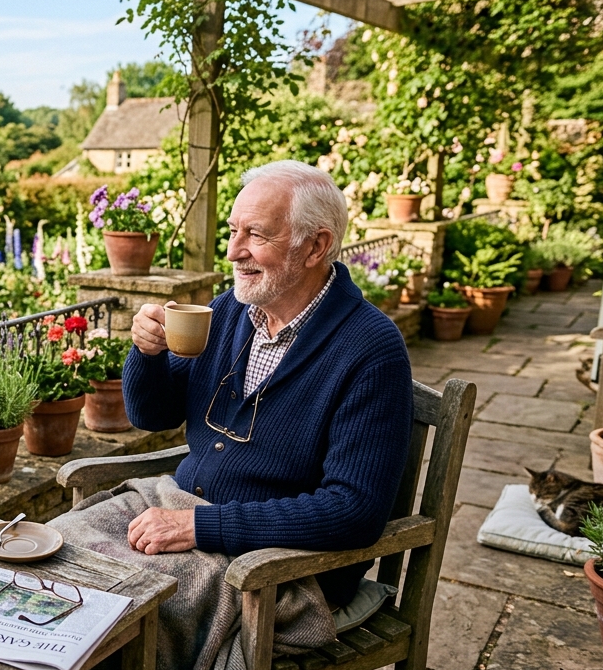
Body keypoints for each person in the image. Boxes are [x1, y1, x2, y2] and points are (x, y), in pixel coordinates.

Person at [122, 159, 412, 606]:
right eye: (233, 231)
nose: (234, 251)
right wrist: (147, 354)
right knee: (57, 553)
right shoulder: (230, 312)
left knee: (123, 608)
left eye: (255, 235)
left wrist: (200, 526)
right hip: (178, 514)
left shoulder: (370, 349)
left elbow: (354, 512)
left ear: (316, 247)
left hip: (278, 567)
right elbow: (151, 415)